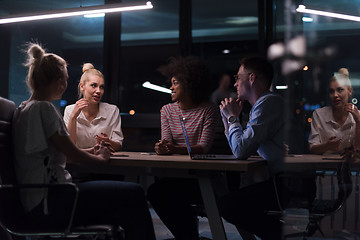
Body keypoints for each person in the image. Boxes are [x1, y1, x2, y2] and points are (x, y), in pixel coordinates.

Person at [12, 43, 155, 240]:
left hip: (39, 199)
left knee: (125, 212)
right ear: (59, 81)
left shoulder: (25, 108)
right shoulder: (44, 109)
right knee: (136, 193)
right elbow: (72, 155)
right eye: (66, 80)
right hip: (52, 200)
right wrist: (102, 159)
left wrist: (91, 150)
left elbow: (64, 151)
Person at [148, 56, 218, 240]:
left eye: (175, 83)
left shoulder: (208, 109)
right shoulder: (167, 110)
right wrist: (162, 148)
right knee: (155, 192)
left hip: (203, 177)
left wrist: (174, 149)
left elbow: (203, 146)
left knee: (162, 193)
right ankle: (188, 237)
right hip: (176, 175)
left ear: (189, 84)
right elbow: (166, 141)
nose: (171, 87)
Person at [217, 56, 285, 240]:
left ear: (252, 78)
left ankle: (282, 236)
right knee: (229, 202)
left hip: (289, 184)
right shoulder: (260, 106)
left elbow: (240, 151)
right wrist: (229, 120)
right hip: (281, 181)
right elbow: (238, 149)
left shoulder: (268, 102)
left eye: (238, 77)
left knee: (228, 205)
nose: (235, 82)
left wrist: (233, 119)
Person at [64, 63, 123, 152]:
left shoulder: (112, 110)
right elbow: (69, 147)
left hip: (104, 162)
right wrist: (73, 117)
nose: (98, 91)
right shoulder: (70, 110)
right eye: (94, 85)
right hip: (78, 162)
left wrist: (108, 142)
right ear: (82, 86)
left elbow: (118, 146)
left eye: (101, 87)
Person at [309, 68, 360, 154]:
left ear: (350, 91)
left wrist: (358, 122)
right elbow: (312, 148)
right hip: (324, 166)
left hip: (351, 166)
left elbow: (358, 150)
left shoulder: (358, 115)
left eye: (340, 90)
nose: (335, 95)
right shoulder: (319, 114)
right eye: (331, 91)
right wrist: (326, 146)